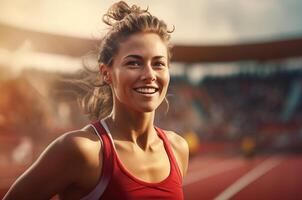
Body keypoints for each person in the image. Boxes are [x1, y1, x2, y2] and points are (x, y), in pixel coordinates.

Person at [3, 1, 189, 199]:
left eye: (159, 63)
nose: (149, 74)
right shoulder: (82, 151)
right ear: (106, 73)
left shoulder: (178, 149)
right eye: (134, 63)